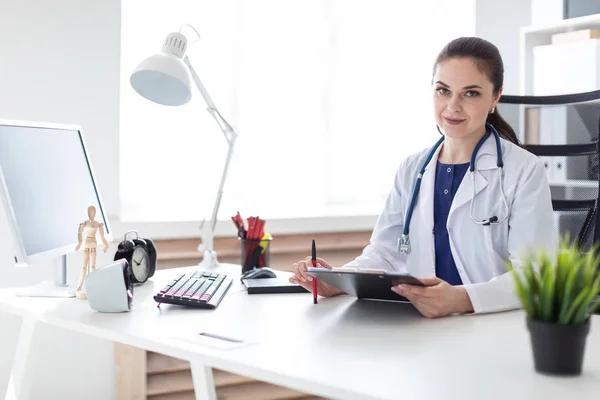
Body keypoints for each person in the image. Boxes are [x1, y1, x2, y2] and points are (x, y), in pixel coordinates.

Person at [289, 37, 557, 318]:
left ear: (495, 96)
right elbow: (384, 253)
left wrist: (461, 299)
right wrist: (338, 281)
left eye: (471, 93)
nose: (452, 106)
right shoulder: (412, 169)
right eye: (443, 90)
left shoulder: (524, 170)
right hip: (422, 325)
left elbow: (536, 275)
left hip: (491, 325)